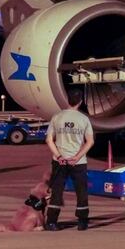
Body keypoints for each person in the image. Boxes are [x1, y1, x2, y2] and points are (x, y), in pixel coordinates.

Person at [44, 89, 95, 231]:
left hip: (59, 161)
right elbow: (90, 142)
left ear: (68, 101)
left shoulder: (57, 117)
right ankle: (82, 221)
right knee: (81, 191)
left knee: (57, 191)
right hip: (77, 162)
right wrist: (77, 157)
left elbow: (49, 140)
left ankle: (52, 222)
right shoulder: (84, 119)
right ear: (80, 102)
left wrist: (59, 156)